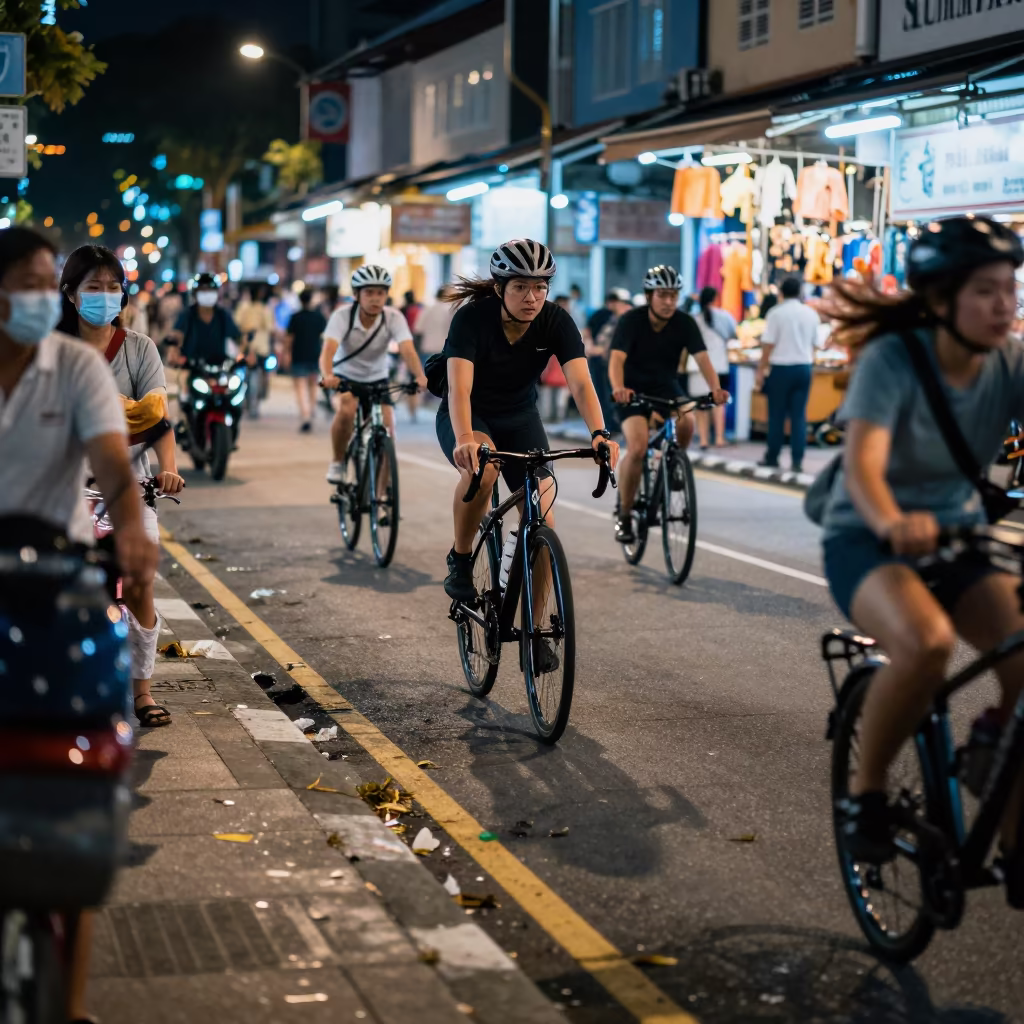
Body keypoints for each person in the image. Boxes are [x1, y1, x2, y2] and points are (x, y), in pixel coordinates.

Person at [821, 216, 1024, 887]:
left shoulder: (1011, 361)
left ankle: (997, 774)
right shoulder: (895, 358)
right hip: (867, 536)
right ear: (940, 299)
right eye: (987, 291)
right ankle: (867, 795)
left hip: (963, 537)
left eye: (1011, 289)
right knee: (928, 643)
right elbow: (865, 465)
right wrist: (892, 520)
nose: (1006, 305)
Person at [0, 225, 158, 1024]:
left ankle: (70, 1003)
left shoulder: (78, 368)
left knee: (78, 793)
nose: (35, 299)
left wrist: (131, 534)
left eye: (41, 284)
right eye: (20, 285)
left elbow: (114, 469)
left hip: (55, 581)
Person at [437, 238, 620, 601]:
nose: (531, 297)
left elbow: (581, 384)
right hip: (471, 414)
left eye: (540, 287)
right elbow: (459, 389)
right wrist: (465, 440)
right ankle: (460, 557)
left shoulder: (555, 321)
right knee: (483, 471)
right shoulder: (472, 319)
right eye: (520, 287)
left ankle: (536, 639)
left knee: (543, 520)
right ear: (499, 288)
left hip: (521, 417)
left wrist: (599, 433)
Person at [57, 242, 185, 729]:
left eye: (113, 288)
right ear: (71, 293)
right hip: (61, 488)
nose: (104, 296)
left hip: (129, 487)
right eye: (94, 287)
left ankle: (143, 691)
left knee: (139, 579)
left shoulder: (139, 348)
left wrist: (167, 469)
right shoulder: (48, 348)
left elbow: (159, 423)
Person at [608, 265, 729, 544]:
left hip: (666, 387)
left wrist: (716, 389)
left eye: (674, 295)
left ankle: (674, 462)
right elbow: (616, 360)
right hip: (631, 389)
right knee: (637, 447)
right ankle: (625, 515)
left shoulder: (685, 323)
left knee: (687, 420)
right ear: (650, 296)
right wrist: (618, 389)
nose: (669, 301)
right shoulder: (631, 321)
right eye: (663, 295)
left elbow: (702, 358)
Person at [320, 265, 426, 484]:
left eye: (380, 293)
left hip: (378, 379)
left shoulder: (393, 317)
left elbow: (407, 349)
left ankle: (379, 500)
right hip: (344, 377)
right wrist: (328, 375)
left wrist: (419, 376)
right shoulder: (342, 316)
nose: (375, 299)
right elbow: (328, 351)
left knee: (388, 433)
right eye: (369, 293)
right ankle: (338, 462)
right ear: (357, 295)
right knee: (347, 410)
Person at [756, 276, 821, 473]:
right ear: (801, 292)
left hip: (781, 368)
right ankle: (797, 460)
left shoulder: (775, 313)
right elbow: (815, 346)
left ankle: (773, 457)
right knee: (799, 416)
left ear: (781, 292)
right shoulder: (811, 314)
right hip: (803, 368)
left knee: (776, 415)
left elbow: (768, 345)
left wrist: (761, 370)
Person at [689, 286, 737, 448]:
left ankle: (703, 440)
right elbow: (733, 334)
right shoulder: (724, 316)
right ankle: (719, 438)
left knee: (701, 406)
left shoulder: (694, 319)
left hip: (697, 368)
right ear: (716, 298)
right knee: (718, 404)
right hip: (718, 365)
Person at [167, 272, 241, 367]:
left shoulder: (223, 315)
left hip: (220, 368)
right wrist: (173, 353)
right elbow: (176, 336)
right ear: (195, 293)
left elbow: (237, 337)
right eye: (203, 290)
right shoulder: (187, 315)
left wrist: (246, 352)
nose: (207, 293)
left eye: (210, 290)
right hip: (191, 368)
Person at [584, 288, 632, 433]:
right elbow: (588, 332)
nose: (619, 305)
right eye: (618, 302)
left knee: (611, 394)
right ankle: (607, 425)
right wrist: (592, 348)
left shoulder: (620, 318)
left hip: (611, 361)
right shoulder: (604, 315)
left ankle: (613, 424)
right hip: (600, 361)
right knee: (602, 394)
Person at [283, 288, 327, 432]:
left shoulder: (295, 317)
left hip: (299, 355)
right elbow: (325, 338)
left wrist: (286, 354)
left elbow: (289, 339)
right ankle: (311, 409)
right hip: (315, 355)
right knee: (313, 386)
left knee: (300, 388)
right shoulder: (319, 317)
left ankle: (305, 415)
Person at [235, 284, 276, 418]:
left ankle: (247, 403)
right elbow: (270, 327)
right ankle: (253, 405)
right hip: (258, 348)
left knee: (246, 375)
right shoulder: (264, 309)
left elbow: (236, 324)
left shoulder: (243, 307)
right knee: (255, 375)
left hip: (246, 347)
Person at [401, 288, 425, 422]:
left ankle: (412, 409)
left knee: (410, 379)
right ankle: (416, 407)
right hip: (421, 347)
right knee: (420, 376)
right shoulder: (420, 308)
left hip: (407, 346)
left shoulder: (403, 310)